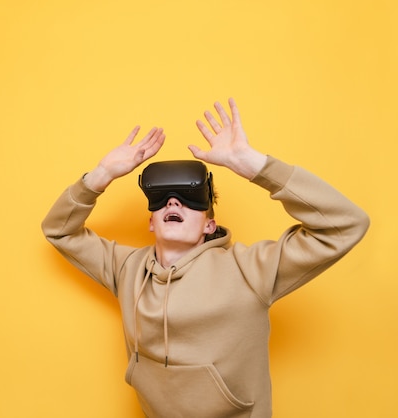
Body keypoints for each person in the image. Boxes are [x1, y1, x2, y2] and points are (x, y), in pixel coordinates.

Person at [41, 98, 370, 418]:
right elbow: (59, 230)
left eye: (189, 201)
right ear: (151, 221)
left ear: (209, 224)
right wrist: (101, 175)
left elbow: (344, 225)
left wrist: (256, 167)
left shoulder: (247, 270)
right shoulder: (127, 269)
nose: (173, 203)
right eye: (163, 201)